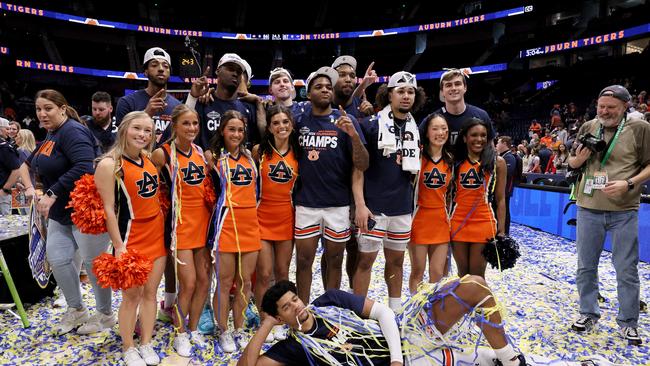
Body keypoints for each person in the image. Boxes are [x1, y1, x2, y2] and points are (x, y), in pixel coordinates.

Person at [237, 279, 526, 366]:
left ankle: (511, 361)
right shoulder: (292, 347)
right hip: (409, 362)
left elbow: (384, 314)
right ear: (280, 317)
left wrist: (397, 361)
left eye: (295, 299)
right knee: (477, 361)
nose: (296, 307)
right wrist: (266, 325)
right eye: (286, 308)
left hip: (405, 337)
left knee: (474, 285)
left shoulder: (329, 300)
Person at [16, 90, 113, 335]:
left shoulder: (72, 131)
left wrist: (50, 193)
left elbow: (84, 166)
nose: (42, 113)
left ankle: (105, 314)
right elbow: (25, 165)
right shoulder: (51, 134)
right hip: (61, 213)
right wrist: (29, 188)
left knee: (94, 265)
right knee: (58, 260)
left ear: (62, 108)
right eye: (38, 109)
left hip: (85, 211)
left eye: (48, 108)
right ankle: (77, 309)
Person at [567, 85, 650, 345]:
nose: (604, 111)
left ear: (626, 106)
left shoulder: (641, 129)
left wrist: (629, 184)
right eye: (601, 106)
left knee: (626, 268)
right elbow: (571, 163)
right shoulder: (588, 127)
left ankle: (628, 322)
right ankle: (588, 313)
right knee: (585, 267)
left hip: (624, 210)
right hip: (589, 207)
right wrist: (579, 160)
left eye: (611, 107)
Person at [95, 111, 167, 365]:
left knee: (150, 293)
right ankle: (128, 347)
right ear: (124, 129)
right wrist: (118, 246)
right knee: (131, 297)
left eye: (148, 131)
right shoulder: (109, 164)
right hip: (131, 237)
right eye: (137, 128)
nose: (143, 135)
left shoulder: (147, 158)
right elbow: (108, 209)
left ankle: (146, 343)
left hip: (156, 235)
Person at [293, 66, 368, 303]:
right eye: (319, 87)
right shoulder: (298, 120)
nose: (325, 90)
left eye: (328, 87)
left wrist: (354, 135)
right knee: (304, 261)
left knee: (335, 260)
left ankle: (329, 312)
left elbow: (363, 164)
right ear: (308, 93)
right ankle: (302, 311)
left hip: (337, 203)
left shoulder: (347, 119)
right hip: (306, 202)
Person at [353, 71, 424, 311]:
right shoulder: (371, 126)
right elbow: (358, 170)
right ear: (389, 94)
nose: (406, 96)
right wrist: (360, 205)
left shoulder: (417, 128)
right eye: (400, 91)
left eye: (410, 91)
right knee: (365, 262)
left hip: (402, 208)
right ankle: (359, 313)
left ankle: (394, 311)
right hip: (374, 208)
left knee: (396, 262)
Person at [151, 104, 212, 356]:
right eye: (186, 123)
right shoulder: (162, 153)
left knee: (204, 282)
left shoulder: (200, 152)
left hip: (204, 224)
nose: (192, 128)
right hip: (181, 227)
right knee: (187, 284)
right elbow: (150, 191)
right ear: (174, 126)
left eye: (195, 123)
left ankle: (194, 327)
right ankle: (180, 333)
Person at [208, 110, 261, 353]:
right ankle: (224, 330)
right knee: (225, 281)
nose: (237, 134)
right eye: (232, 129)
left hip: (250, 223)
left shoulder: (251, 157)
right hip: (226, 223)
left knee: (245, 282)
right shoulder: (213, 159)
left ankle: (239, 328)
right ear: (222, 131)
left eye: (240, 130)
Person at [252, 104, 300, 342]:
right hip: (261, 218)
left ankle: (286, 318)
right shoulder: (259, 151)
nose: (281, 127)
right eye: (276, 123)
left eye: (285, 122)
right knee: (264, 273)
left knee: (282, 273)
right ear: (269, 127)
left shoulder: (298, 152)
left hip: (286, 218)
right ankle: (265, 319)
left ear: (291, 125)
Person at [450, 118, 506, 278]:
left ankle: (477, 303)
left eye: (483, 135)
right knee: (462, 274)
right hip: (458, 221)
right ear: (464, 138)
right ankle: (464, 303)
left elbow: (501, 199)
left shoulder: (498, 162)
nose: (479, 139)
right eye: (474, 135)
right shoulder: (455, 162)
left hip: (484, 222)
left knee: (477, 276)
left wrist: (501, 231)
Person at [409, 113, 453, 292]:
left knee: (437, 274)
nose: (440, 133)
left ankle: (435, 312)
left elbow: (450, 194)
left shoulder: (450, 160)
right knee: (417, 272)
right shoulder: (417, 156)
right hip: (419, 219)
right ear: (426, 132)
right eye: (435, 128)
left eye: (444, 129)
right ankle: (415, 312)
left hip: (441, 221)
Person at [186, 53, 261, 151]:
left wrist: (259, 102)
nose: (235, 73)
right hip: (208, 164)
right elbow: (182, 130)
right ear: (217, 71)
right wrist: (192, 97)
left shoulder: (249, 107)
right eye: (230, 69)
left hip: (239, 164)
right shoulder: (203, 101)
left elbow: (264, 137)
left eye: (239, 72)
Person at [115, 47, 182, 141]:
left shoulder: (178, 107)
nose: (161, 69)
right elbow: (121, 139)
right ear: (145, 72)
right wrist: (146, 114)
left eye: (166, 66)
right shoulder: (127, 102)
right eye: (154, 65)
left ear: (169, 73)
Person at [420, 69, 493, 145]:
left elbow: (491, 150)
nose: (453, 88)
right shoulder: (429, 121)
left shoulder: (482, 115)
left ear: (465, 88)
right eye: (448, 85)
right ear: (442, 91)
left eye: (457, 84)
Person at [495, 136, 520, 235]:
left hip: (506, 189)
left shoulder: (509, 157)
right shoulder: (505, 156)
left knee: (504, 211)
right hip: (504, 188)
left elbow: (508, 173)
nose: (496, 145)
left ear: (504, 143)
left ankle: (504, 232)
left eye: (498, 143)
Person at [0, 131, 20, 214]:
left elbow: (16, 170)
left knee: (4, 224)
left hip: (1, 193)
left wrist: (5, 189)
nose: (9, 131)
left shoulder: (4, 147)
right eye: (7, 128)